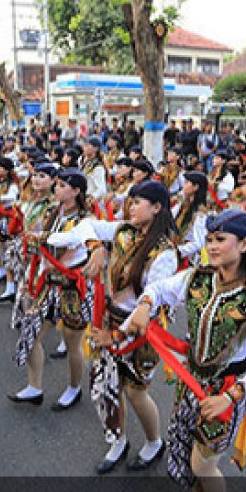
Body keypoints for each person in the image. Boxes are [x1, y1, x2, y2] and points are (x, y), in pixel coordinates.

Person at [123, 209, 246, 492]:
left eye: (221, 239)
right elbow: (158, 289)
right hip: (189, 385)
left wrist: (231, 396)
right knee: (188, 455)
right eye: (209, 240)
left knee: (203, 464)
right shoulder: (197, 278)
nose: (212, 246)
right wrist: (144, 306)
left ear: (245, 245)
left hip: (224, 394)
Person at [60, 180, 179, 474]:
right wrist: (96, 247)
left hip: (139, 332)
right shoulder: (123, 231)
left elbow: (148, 307)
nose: (131, 206)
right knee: (107, 386)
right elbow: (86, 225)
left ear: (157, 207)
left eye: (138, 202)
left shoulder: (164, 254)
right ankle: (118, 440)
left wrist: (116, 336)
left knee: (135, 392)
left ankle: (153, 442)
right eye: (131, 200)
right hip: (109, 321)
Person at [9, 168, 93, 411]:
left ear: (76, 191)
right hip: (48, 283)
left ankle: (74, 387)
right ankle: (34, 386)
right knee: (31, 332)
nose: (57, 189)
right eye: (56, 185)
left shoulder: (84, 221)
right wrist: (31, 277)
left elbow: (64, 242)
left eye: (63, 185)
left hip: (71, 288)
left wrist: (41, 237)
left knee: (72, 342)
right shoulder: (52, 212)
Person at [0, 161, 56, 303]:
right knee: (25, 296)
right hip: (27, 252)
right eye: (34, 175)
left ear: (53, 180)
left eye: (42, 176)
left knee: (34, 300)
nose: (35, 179)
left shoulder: (54, 206)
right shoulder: (31, 201)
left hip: (42, 256)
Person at [173, 172, 210, 265]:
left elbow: (199, 243)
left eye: (186, 183)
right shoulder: (183, 204)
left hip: (186, 257)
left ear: (195, 187)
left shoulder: (200, 213)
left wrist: (178, 251)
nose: (183, 186)